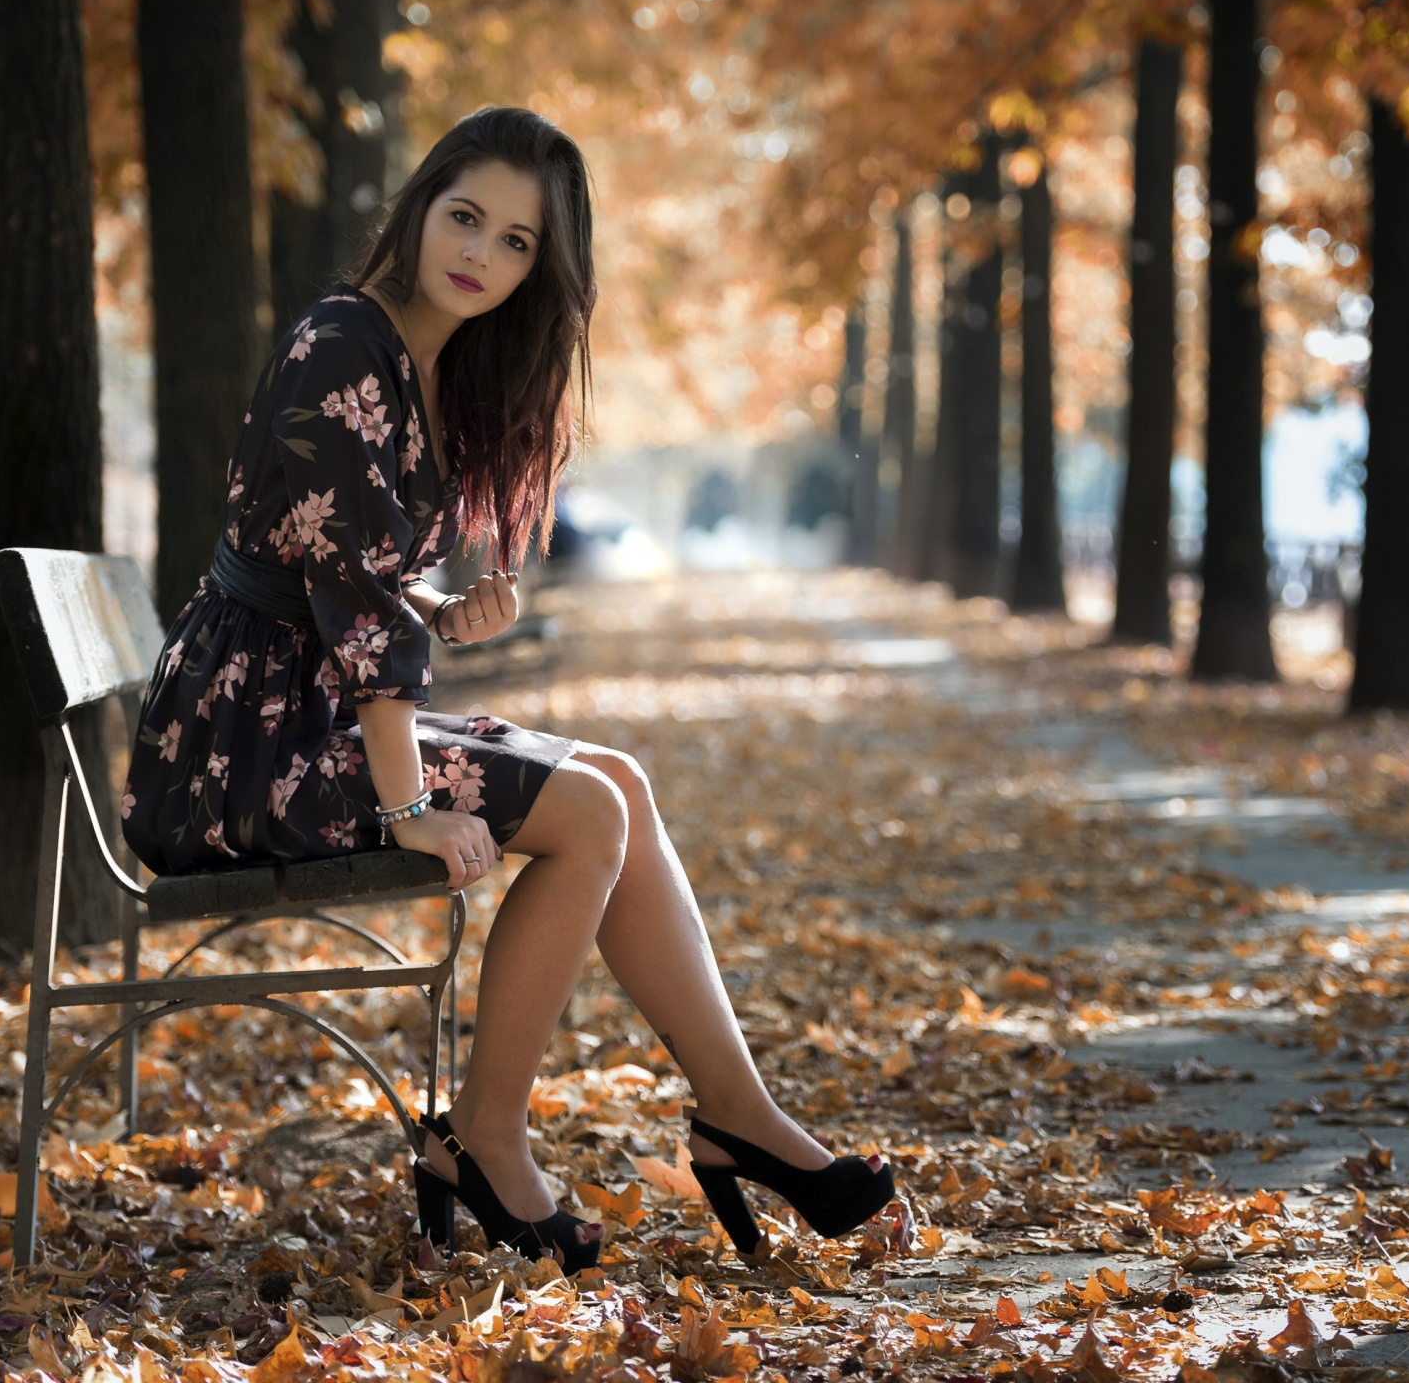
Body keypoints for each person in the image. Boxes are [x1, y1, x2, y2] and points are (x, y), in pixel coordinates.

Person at [121, 107, 894, 1269]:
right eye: (467, 216)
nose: (481, 253)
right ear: (423, 203)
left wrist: (437, 609)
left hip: (291, 708)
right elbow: (347, 602)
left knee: (615, 780)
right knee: (589, 815)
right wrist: (403, 813)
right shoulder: (347, 344)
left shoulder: (420, 357)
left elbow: (348, 582)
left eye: (519, 242)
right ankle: (487, 1138)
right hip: (238, 746)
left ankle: (739, 1115)